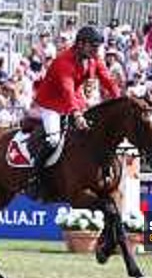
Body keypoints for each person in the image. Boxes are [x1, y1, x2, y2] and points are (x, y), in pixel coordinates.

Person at [26, 25, 120, 198]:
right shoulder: (63, 61)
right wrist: (76, 114)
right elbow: (67, 91)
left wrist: (120, 98)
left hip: (75, 99)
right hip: (51, 103)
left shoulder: (93, 58)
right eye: (93, 46)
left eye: (97, 47)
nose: (96, 50)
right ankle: (35, 177)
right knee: (54, 139)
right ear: (81, 44)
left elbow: (107, 79)